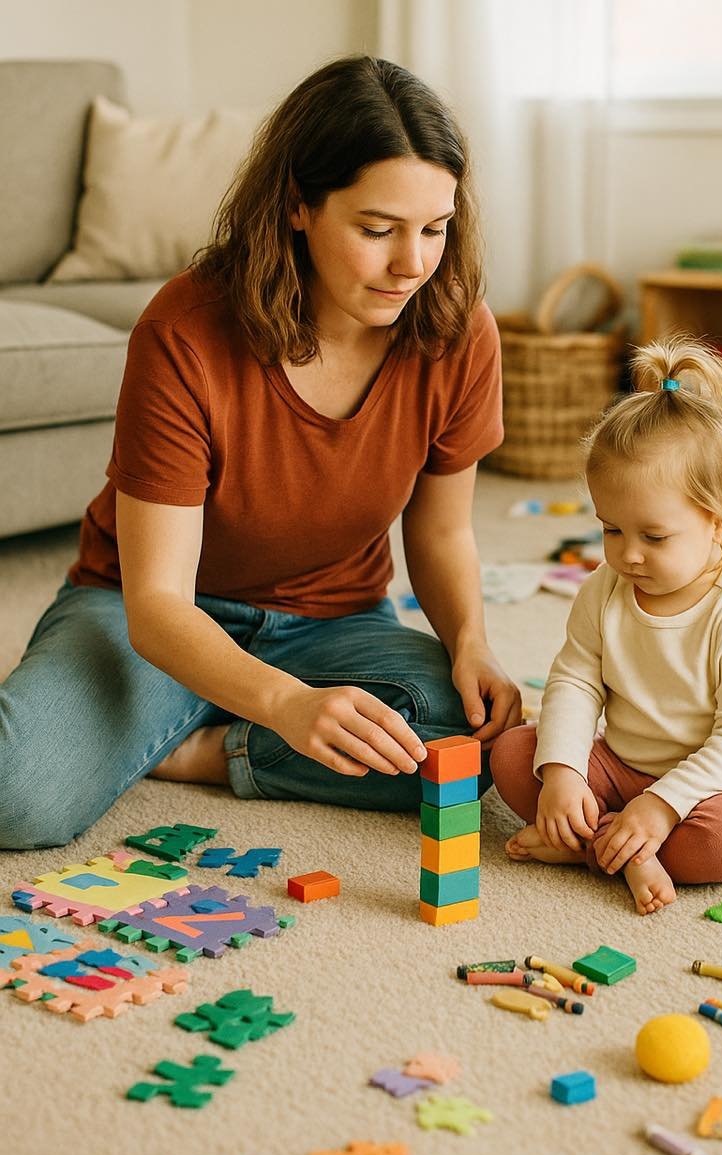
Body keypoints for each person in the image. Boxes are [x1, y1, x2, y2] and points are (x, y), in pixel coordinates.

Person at [0, 55, 521, 851]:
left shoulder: (456, 327)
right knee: (18, 794)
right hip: (157, 617)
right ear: (296, 206)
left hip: (332, 621)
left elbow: (443, 531)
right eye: (377, 229)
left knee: (475, 742)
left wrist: (471, 642)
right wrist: (284, 705)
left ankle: (202, 750)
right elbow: (158, 604)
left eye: (434, 228)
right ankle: (206, 718)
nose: (413, 264)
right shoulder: (184, 332)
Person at [490, 338, 722, 914]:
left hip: (714, 787)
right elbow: (576, 681)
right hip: (620, 766)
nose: (628, 555)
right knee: (514, 754)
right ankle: (621, 846)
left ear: (720, 524)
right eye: (611, 529)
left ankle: (595, 846)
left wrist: (660, 807)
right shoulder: (605, 588)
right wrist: (564, 773)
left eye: (654, 536)